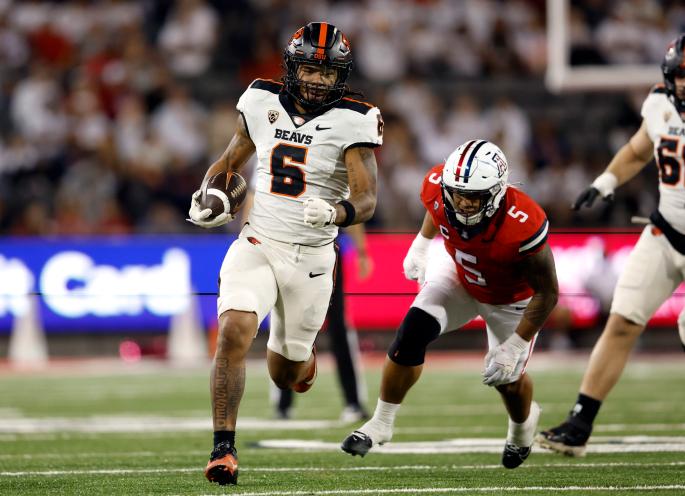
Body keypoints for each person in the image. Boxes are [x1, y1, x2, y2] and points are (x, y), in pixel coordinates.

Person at [187, 22, 382, 486]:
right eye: (310, 70)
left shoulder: (356, 117)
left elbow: (368, 198)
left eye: (327, 72)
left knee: (286, 375)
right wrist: (209, 193)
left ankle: (301, 358)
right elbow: (232, 159)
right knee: (233, 330)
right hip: (258, 241)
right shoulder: (260, 100)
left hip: (313, 257)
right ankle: (223, 450)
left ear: (341, 76)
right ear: (292, 67)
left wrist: (335, 212)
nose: (317, 80)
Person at [341, 139, 559, 469]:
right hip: (461, 275)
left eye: (474, 196)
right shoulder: (437, 185)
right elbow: (436, 208)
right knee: (412, 330)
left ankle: (521, 427)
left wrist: (515, 344)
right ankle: (381, 423)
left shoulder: (523, 222)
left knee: (507, 382)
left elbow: (549, 292)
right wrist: (422, 242)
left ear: (497, 192)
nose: (464, 203)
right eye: (458, 193)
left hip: (511, 301)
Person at [536, 35, 685, 458]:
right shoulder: (660, 104)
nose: (684, 84)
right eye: (680, 76)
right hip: (665, 232)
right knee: (621, 320)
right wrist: (605, 182)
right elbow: (640, 148)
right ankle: (580, 424)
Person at [271, 223, 371, 422]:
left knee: (336, 327)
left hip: (320, 252)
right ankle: (283, 403)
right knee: (289, 324)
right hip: (291, 250)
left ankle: (353, 401)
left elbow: (352, 205)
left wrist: (361, 251)